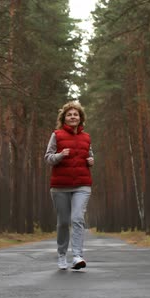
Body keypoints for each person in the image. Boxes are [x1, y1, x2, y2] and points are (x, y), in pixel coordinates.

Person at [44, 101, 94, 270]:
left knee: (78, 218)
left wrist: (91, 161)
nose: (73, 117)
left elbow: (90, 155)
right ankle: (61, 254)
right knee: (64, 222)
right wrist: (59, 156)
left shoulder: (86, 137)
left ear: (80, 118)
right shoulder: (56, 135)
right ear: (64, 118)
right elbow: (48, 158)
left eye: (76, 114)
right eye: (69, 114)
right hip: (60, 186)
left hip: (82, 184)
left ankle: (78, 256)